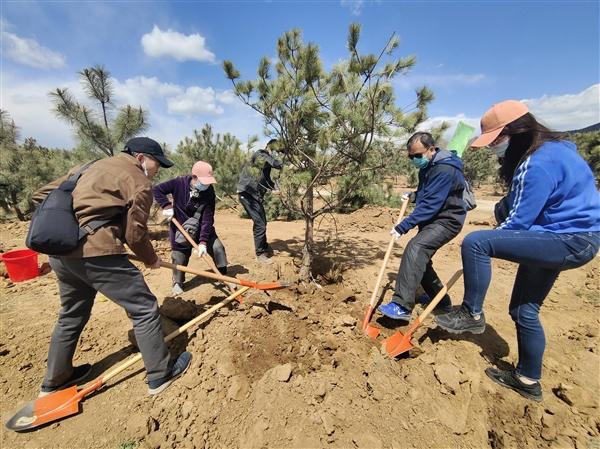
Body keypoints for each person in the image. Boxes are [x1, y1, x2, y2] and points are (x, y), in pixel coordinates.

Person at [435, 100, 600, 402]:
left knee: (476, 242)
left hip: (567, 239)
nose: (492, 147)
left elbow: (517, 224)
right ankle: (527, 380)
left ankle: (471, 314)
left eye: (496, 140)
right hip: (568, 238)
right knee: (523, 310)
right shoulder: (560, 148)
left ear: (516, 131)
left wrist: (491, 238)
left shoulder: (534, 163)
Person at [31, 137, 191, 397]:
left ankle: (55, 380)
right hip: (97, 255)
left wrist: (71, 222)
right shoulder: (138, 181)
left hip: (60, 255)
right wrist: (151, 259)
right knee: (143, 307)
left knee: (71, 313)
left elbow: (40, 196)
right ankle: (161, 374)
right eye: (156, 163)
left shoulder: (88, 166)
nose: (158, 169)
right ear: (140, 158)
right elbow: (135, 234)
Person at [378, 132, 467, 320]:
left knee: (415, 248)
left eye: (418, 155)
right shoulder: (427, 167)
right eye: (411, 157)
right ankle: (441, 300)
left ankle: (402, 305)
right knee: (421, 260)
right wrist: (414, 195)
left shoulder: (444, 169)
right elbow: (427, 194)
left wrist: (403, 226)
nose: (415, 160)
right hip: (433, 218)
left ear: (431, 149)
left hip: (447, 220)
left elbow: (431, 204)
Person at [152, 161, 229, 295]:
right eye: (203, 182)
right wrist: (166, 206)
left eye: (208, 182)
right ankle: (178, 282)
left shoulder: (209, 191)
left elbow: (207, 218)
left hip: (202, 227)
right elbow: (157, 190)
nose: (206, 185)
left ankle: (222, 275)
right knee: (178, 256)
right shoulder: (178, 183)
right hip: (181, 229)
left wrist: (203, 242)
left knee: (217, 248)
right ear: (194, 177)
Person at [237, 138, 285, 264]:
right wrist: (286, 164)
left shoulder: (266, 165)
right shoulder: (260, 154)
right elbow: (274, 162)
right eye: (276, 151)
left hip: (255, 196)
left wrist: (278, 187)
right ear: (269, 147)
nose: (277, 154)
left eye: (279, 152)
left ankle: (264, 247)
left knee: (262, 221)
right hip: (246, 194)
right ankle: (260, 255)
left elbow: (267, 180)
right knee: (259, 224)